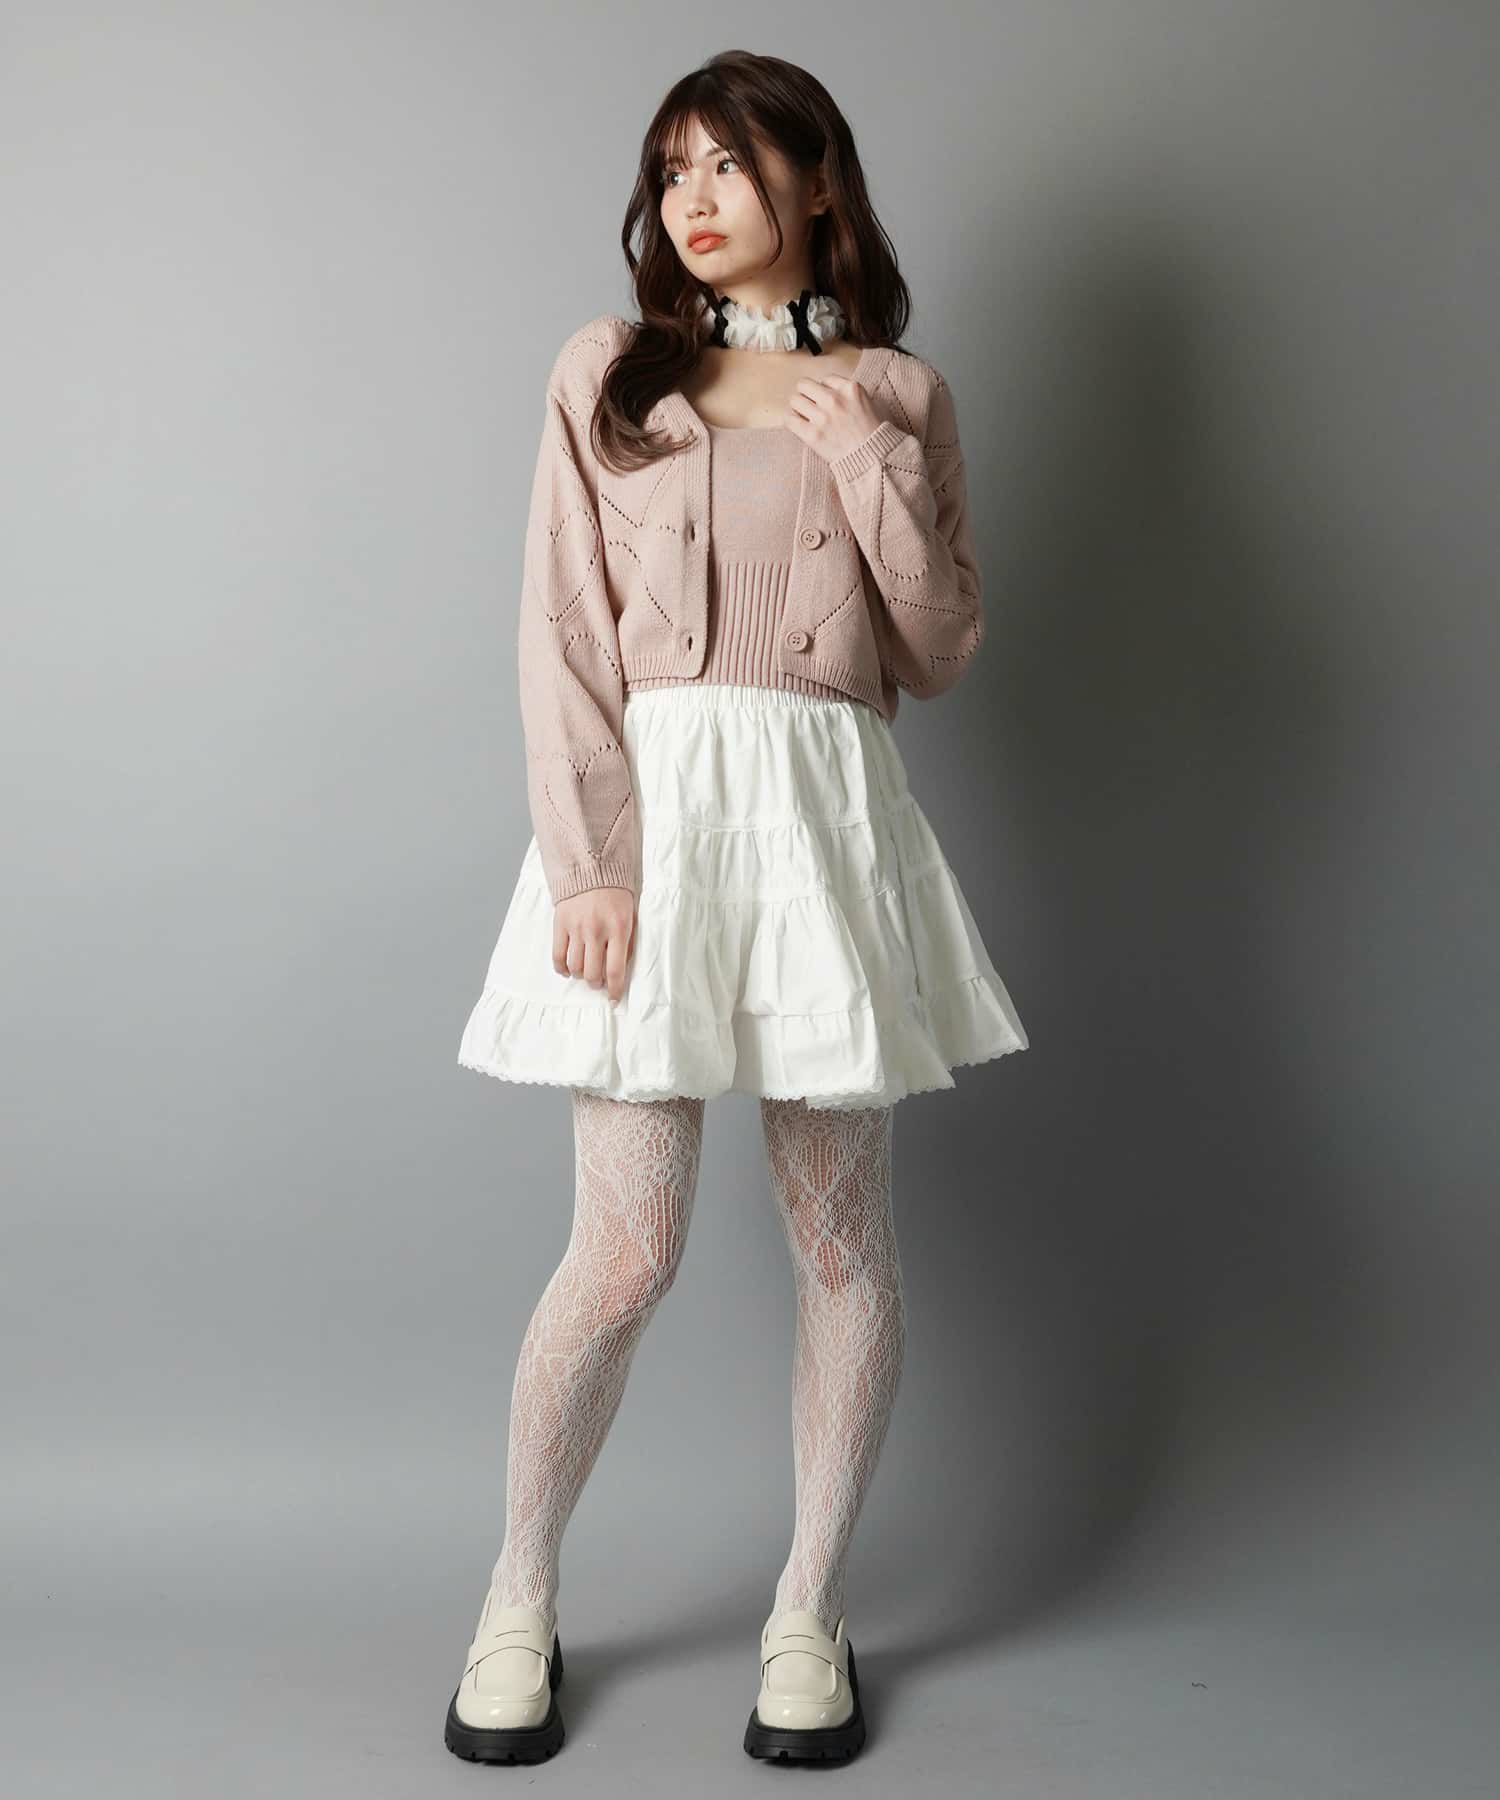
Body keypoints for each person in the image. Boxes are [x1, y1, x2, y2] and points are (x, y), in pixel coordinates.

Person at [444, 49, 1029, 1768]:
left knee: (843, 1244)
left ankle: (808, 1610)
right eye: (671, 170)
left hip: (826, 831)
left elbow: (939, 647)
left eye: (728, 164)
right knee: (625, 1251)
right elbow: (561, 630)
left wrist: (869, 464)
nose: (692, 199)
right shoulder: (607, 373)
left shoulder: (900, 394)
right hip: (658, 824)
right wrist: (593, 865)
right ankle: (519, 1596)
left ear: (817, 183)